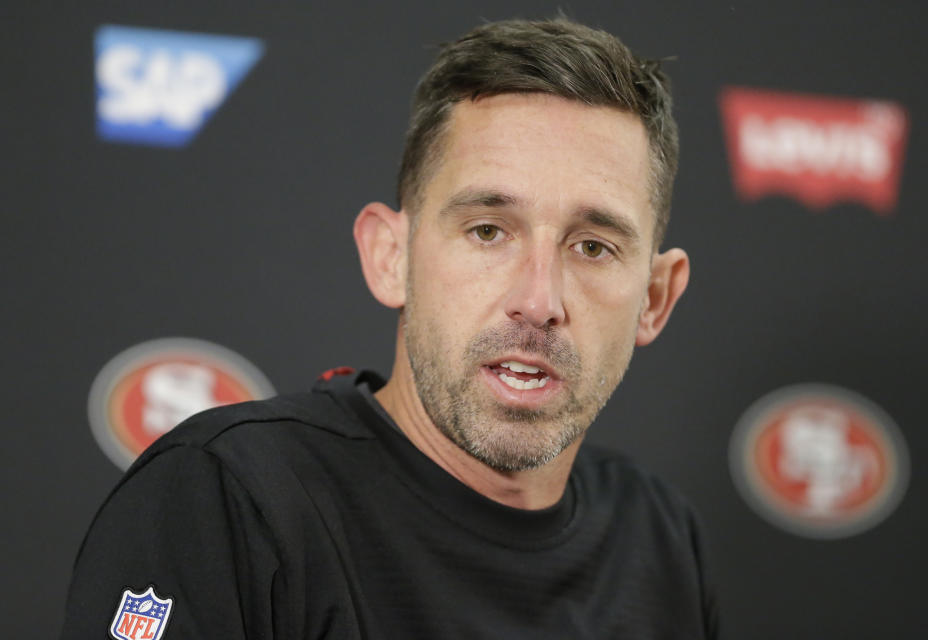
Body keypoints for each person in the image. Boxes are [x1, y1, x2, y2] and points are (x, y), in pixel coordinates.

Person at [62, 17, 717, 639]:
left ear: (656, 298)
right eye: (488, 231)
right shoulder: (229, 497)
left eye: (593, 246)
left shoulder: (658, 532)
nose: (539, 300)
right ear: (390, 258)